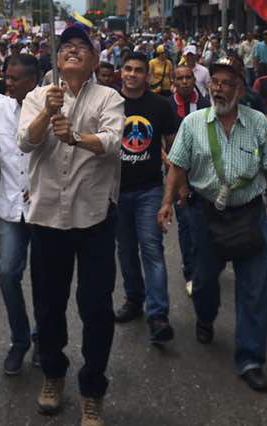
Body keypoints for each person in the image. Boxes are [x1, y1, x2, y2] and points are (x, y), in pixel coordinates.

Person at [17, 26, 125, 426]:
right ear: (57, 58)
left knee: (96, 308)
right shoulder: (36, 96)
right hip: (46, 218)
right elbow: (24, 143)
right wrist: (48, 113)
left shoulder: (109, 97)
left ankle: (92, 389)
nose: (74, 51)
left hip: (94, 216)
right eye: (67, 47)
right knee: (48, 306)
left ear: (95, 60)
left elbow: (114, 141)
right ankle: (53, 373)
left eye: (83, 47)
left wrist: (77, 138)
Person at [159, 59, 267, 393]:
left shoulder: (257, 123)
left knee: (253, 290)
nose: (219, 88)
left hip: (250, 215)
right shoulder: (193, 123)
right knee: (203, 283)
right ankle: (205, 315)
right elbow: (177, 166)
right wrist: (168, 202)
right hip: (205, 216)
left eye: (227, 83)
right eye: (214, 82)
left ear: (240, 89)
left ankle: (251, 359)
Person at [112, 51, 178, 343]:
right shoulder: (110, 103)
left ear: (147, 75)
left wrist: (170, 196)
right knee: (125, 250)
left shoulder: (161, 106)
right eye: (127, 69)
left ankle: (158, 314)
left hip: (149, 190)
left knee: (151, 249)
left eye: (138, 70)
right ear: (121, 72)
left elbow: (175, 153)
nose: (132, 74)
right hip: (115, 191)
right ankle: (134, 300)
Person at [0, 54, 41, 374]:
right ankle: (20, 340)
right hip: (9, 208)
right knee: (7, 275)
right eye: (7, 77)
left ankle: (43, 339)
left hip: (45, 211)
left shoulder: (52, 105)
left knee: (45, 280)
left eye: (14, 78)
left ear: (33, 80)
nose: (8, 83)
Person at [168, 63, 210, 294]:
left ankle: (206, 263)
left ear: (194, 80)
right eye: (180, 78)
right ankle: (190, 271)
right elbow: (165, 142)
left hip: (203, 173)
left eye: (188, 78)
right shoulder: (168, 107)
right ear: (174, 81)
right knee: (185, 223)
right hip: (177, 174)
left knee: (203, 221)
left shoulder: (205, 105)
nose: (184, 82)